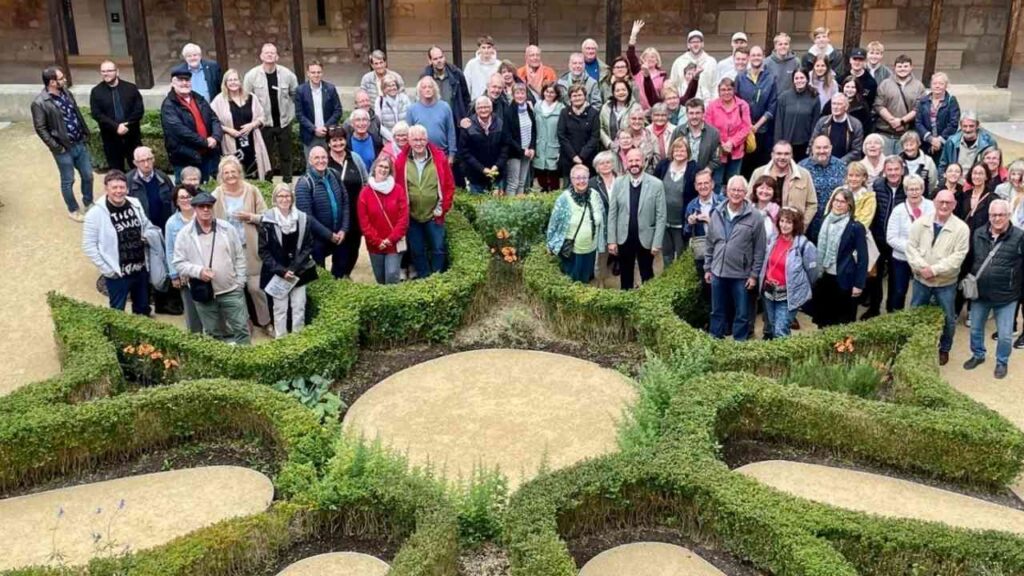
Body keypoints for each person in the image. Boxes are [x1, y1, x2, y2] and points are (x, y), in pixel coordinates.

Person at [173, 192, 250, 345]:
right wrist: (199, 271)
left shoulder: (227, 228)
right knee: (212, 334)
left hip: (231, 290)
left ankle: (245, 363)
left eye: (209, 206)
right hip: (203, 292)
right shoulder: (184, 234)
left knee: (241, 329)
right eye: (201, 206)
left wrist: (240, 282)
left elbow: (240, 257)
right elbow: (178, 263)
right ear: (194, 208)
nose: (206, 210)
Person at [907, 189, 970, 365]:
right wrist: (922, 268)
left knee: (949, 319)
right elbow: (910, 248)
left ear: (954, 205)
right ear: (934, 202)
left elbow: (958, 257)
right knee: (915, 314)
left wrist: (933, 270)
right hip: (921, 281)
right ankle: (914, 346)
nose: (944, 205)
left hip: (946, 284)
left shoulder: (962, 229)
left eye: (948, 203)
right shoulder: (920, 224)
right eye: (941, 202)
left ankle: (944, 348)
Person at [963, 200, 1024, 379]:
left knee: (1005, 336)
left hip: (1007, 296)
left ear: (1008, 215)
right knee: (975, 329)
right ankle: (978, 355)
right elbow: (970, 259)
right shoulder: (978, 233)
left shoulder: (1020, 237)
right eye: (993, 215)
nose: (997, 218)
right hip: (980, 294)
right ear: (989, 216)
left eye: (1001, 215)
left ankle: (1001, 361)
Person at [83, 170, 155, 315]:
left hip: (140, 268)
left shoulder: (134, 203)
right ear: (106, 189)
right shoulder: (95, 214)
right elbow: (88, 245)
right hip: (117, 274)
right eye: (114, 187)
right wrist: (107, 270)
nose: (118, 191)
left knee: (142, 308)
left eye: (122, 187)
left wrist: (147, 236)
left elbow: (146, 225)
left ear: (127, 188)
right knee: (117, 312)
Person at [211, 156, 269, 332]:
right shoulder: (216, 195)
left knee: (255, 288)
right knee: (235, 289)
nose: (230, 176)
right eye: (226, 173)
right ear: (221, 175)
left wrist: (250, 217)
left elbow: (266, 216)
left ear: (239, 172)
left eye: (233, 172)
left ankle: (266, 322)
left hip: (250, 248)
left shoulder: (251, 191)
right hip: (228, 251)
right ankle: (245, 323)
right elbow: (209, 221)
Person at [704, 175, 766, 339]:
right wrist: (708, 268)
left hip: (741, 275)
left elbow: (760, 250)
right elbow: (710, 242)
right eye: (733, 190)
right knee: (717, 311)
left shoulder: (755, 217)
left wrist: (754, 275)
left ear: (746, 193)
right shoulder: (716, 212)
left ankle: (739, 344)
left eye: (740, 190)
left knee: (742, 314)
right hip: (717, 272)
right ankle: (714, 340)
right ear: (726, 191)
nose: (736, 193)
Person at [33, 66, 93, 221]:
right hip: (63, 148)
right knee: (68, 180)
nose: (64, 79)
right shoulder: (40, 103)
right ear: (52, 82)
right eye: (61, 78)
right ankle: (73, 209)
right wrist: (56, 146)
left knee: (88, 175)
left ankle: (88, 202)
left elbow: (76, 114)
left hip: (79, 142)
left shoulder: (67, 93)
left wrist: (85, 132)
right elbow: (41, 128)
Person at [395, 125, 455, 278]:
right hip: (412, 216)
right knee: (417, 250)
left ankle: (436, 277)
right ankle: (424, 278)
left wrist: (443, 207)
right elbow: (397, 188)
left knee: (438, 248)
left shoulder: (439, 158)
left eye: (422, 139)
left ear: (427, 140)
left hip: (434, 214)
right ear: (409, 140)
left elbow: (449, 184)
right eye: (415, 139)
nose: (419, 143)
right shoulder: (401, 161)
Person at [258, 184, 316, 338]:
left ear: (292, 198)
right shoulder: (267, 220)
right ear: (275, 199)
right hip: (278, 273)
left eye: (287, 196)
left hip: (298, 271)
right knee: (280, 309)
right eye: (280, 196)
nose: (284, 199)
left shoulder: (303, 219)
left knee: (298, 307)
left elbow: (308, 246)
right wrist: (282, 271)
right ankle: (281, 339)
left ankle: (298, 339)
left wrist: (295, 267)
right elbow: (263, 251)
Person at [608, 148, 667, 289]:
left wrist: (657, 242)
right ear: (626, 163)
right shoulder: (618, 183)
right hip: (624, 238)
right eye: (631, 161)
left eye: (637, 160)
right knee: (625, 275)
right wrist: (611, 240)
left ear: (644, 162)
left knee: (647, 275)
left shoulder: (656, 184)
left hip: (646, 239)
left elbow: (661, 216)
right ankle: (627, 305)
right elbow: (612, 214)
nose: (634, 164)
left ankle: (648, 306)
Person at [812, 188, 868, 327]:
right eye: (836, 200)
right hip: (825, 277)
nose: (838, 204)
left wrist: (858, 284)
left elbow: (863, 258)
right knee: (824, 319)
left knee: (842, 321)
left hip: (844, 279)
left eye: (843, 202)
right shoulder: (826, 220)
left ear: (849, 205)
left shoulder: (856, 227)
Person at [760, 207, 819, 338]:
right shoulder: (773, 239)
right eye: (782, 221)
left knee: (781, 330)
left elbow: (813, 274)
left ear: (796, 224)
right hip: (769, 292)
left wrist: (800, 288)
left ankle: (784, 357)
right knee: (771, 325)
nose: (784, 225)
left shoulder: (804, 245)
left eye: (789, 222)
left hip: (788, 296)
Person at [243, 43, 298, 183]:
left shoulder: (287, 75)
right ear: (261, 56)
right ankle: (268, 183)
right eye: (266, 52)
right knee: (266, 156)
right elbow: (246, 99)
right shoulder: (252, 76)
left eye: (272, 52)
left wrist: (291, 114)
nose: (269, 55)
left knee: (286, 155)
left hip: (283, 122)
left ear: (277, 56)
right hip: (264, 124)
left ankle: (288, 183)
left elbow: (295, 94)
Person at [294, 146, 350, 279]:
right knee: (320, 275)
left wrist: (344, 229)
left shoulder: (334, 175)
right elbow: (306, 216)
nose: (321, 161)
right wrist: (329, 235)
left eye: (323, 157)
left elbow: (345, 202)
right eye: (317, 158)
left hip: (339, 235)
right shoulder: (304, 184)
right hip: (317, 239)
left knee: (340, 271)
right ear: (310, 161)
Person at [546, 165, 606, 283]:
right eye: (577, 178)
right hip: (572, 250)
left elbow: (602, 217)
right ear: (572, 179)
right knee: (571, 280)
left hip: (591, 248)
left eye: (584, 177)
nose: (581, 181)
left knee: (587, 280)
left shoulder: (595, 195)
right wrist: (550, 243)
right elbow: (554, 223)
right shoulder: (564, 198)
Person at [161, 69, 222, 183]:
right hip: (185, 157)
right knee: (186, 193)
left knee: (206, 190)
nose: (184, 83)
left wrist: (215, 137)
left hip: (207, 155)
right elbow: (180, 131)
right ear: (172, 83)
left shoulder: (199, 98)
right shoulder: (168, 105)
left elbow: (214, 118)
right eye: (180, 80)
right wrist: (205, 142)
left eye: (187, 80)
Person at [324, 127, 369, 278]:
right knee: (340, 249)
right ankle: (337, 276)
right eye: (334, 140)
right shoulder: (325, 161)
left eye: (341, 139)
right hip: (336, 215)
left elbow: (365, 181)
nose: (338, 143)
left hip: (356, 212)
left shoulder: (354, 158)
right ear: (329, 143)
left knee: (354, 246)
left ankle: (347, 275)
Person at [357, 156, 409, 285]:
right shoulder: (365, 193)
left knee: (391, 276)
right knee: (380, 279)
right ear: (374, 168)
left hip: (394, 243)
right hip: (375, 245)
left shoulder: (398, 190)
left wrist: (390, 239)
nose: (383, 169)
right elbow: (364, 222)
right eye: (381, 166)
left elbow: (403, 218)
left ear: (390, 171)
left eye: (387, 167)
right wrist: (377, 241)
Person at [210, 68, 271, 180]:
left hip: (252, 141)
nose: (233, 82)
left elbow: (262, 117)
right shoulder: (219, 100)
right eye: (230, 80)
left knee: (254, 173)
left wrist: (252, 125)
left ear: (240, 81)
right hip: (231, 142)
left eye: (235, 79)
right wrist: (228, 130)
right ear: (225, 83)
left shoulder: (251, 97)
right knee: (234, 172)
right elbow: (212, 121)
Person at [886, 174, 934, 311]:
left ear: (922, 189)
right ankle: (895, 320)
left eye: (917, 189)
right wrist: (911, 248)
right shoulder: (899, 210)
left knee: (923, 293)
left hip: (925, 258)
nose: (914, 192)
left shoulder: (931, 207)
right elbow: (891, 238)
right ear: (906, 191)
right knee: (899, 292)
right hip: (902, 258)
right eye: (910, 189)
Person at [867, 156, 907, 315]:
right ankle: (874, 308)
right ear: (884, 171)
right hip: (878, 238)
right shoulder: (877, 185)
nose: (893, 173)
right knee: (875, 277)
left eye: (896, 169)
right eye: (889, 169)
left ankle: (893, 310)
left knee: (896, 278)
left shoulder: (907, 186)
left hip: (898, 241)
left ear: (902, 170)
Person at [89, 61, 144, 173]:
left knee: (138, 170)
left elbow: (139, 110)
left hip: (132, 136)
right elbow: (97, 114)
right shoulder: (96, 92)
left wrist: (126, 124)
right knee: (116, 173)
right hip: (111, 140)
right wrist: (116, 127)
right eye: (103, 71)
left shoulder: (131, 88)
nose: (106, 74)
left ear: (117, 72)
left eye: (109, 71)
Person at [653, 138, 697, 266]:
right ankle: (667, 278)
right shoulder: (663, 165)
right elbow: (654, 186)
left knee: (681, 254)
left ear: (687, 152)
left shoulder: (693, 168)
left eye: (682, 149)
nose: (679, 152)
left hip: (681, 222)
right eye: (676, 149)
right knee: (666, 254)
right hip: (664, 220)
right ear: (672, 151)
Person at [165, 185, 203, 332]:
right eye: (182, 197)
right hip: (184, 274)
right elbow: (169, 250)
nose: (186, 200)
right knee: (191, 308)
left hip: (205, 268)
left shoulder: (203, 216)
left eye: (189, 196)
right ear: (176, 201)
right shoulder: (172, 223)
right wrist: (174, 274)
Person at [750, 140, 818, 222]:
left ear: (791, 155)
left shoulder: (804, 175)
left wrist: (801, 226)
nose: (782, 157)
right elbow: (749, 200)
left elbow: (812, 204)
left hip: (793, 230)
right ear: (772, 155)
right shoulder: (759, 173)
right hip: (763, 229)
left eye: (786, 154)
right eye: (779, 153)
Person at [874, 55, 928, 155]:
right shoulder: (885, 84)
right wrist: (892, 121)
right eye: (899, 66)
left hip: (907, 133)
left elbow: (919, 107)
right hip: (885, 132)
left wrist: (902, 121)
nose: (902, 69)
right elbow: (878, 105)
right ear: (894, 68)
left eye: (905, 66)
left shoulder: (919, 86)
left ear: (911, 67)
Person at [737, 45, 778, 174]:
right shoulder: (740, 78)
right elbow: (736, 103)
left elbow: (772, 105)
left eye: (759, 55)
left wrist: (757, 126)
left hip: (763, 130)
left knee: (761, 167)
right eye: (753, 55)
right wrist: (747, 125)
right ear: (749, 58)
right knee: (745, 167)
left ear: (764, 57)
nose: (756, 58)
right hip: (743, 130)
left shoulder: (770, 78)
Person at [705, 78, 752, 192]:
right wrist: (722, 143)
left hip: (737, 151)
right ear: (719, 91)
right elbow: (708, 126)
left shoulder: (742, 105)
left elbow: (746, 127)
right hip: (717, 151)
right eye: (723, 90)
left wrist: (732, 142)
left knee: (734, 182)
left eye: (729, 89)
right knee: (716, 182)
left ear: (734, 90)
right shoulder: (712, 106)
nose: (726, 92)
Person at [801, 136, 848, 241]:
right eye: (818, 148)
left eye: (825, 148)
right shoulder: (802, 167)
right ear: (812, 148)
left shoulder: (841, 166)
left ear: (831, 148)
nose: (822, 151)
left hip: (835, 222)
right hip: (810, 223)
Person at [459, 96, 509, 194]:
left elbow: (505, 148)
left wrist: (497, 166)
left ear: (491, 108)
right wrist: (482, 169)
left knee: (497, 207)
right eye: (480, 108)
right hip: (475, 176)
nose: (483, 110)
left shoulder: (500, 123)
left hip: (496, 175)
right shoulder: (468, 126)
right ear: (476, 110)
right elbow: (465, 152)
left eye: (486, 107)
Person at [295, 59, 343, 158]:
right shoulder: (301, 90)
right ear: (308, 73)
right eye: (313, 72)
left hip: (328, 134)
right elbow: (299, 114)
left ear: (322, 73)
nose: (316, 75)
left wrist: (326, 127)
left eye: (318, 72)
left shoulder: (330, 89)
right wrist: (314, 129)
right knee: (312, 165)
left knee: (330, 164)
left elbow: (338, 110)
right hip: (310, 136)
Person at [773, 69, 820, 164]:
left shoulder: (814, 97)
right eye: (796, 78)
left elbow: (815, 123)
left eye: (802, 77)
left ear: (807, 79)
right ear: (793, 80)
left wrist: (812, 145)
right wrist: (778, 144)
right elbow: (778, 123)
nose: (799, 80)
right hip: (786, 144)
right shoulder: (784, 97)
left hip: (804, 144)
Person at [406, 76, 458, 160]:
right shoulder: (412, 109)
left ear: (435, 89)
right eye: (424, 87)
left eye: (430, 87)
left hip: (442, 154)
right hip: (420, 155)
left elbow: (451, 132)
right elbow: (408, 135)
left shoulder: (445, 107)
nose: (427, 89)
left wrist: (451, 155)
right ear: (419, 91)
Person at [424, 46, 472, 131]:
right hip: (434, 121)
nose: (439, 61)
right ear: (430, 61)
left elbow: (466, 98)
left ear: (444, 57)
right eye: (435, 59)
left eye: (441, 57)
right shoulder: (425, 78)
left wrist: (464, 117)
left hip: (455, 121)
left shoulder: (457, 74)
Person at [557, 84, 601, 179]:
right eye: (574, 96)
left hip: (588, 159)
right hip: (568, 159)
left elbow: (595, 137)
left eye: (580, 95)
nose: (577, 98)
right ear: (570, 98)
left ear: (585, 96)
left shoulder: (593, 113)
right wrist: (573, 156)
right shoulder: (564, 113)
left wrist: (581, 156)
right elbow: (561, 135)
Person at [915, 72, 960, 162]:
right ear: (931, 85)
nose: (937, 86)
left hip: (944, 143)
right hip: (925, 143)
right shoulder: (923, 101)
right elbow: (918, 122)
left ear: (946, 85)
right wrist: (931, 139)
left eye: (941, 84)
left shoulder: (951, 101)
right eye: (935, 83)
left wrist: (939, 140)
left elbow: (953, 123)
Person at [126, 146, 174, 232]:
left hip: (164, 227)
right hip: (142, 229)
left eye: (149, 159)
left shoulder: (163, 177)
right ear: (135, 163)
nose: (146, 164)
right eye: (142, 161)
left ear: (153, 159)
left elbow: (173, 200)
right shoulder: (128, 181)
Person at [671, 98, 722, 173]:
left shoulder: (714, 133)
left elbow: (717, 158)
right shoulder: (678, 131)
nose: (694, 116)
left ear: (703, 113)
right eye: (691, 113)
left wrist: (706, 171)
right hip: (681, 174)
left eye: (697, 113)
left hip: (703, 176)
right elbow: (671, 154)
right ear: (687, 114)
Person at [938, 112, 997, 176]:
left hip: (978, 181)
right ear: (961, 126)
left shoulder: (989, 143)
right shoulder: (951, 142)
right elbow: (943, 165)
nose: (968, 129)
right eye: (965, 126)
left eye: (971, 126)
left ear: (977, 126)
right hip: (956, 181)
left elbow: (995, 166)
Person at [626, 20, 668, 110]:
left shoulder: (663, 76)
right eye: (647, 57)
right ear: (643, 59)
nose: (650, 59)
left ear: (657, 60)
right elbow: (630, 55)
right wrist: (633, 35)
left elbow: (664, 96)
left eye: (653, 57)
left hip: (655, 111)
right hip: (638, 112)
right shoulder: (637, 71)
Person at [811, 93, 864, 163]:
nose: (835, 107)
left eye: (839, 104)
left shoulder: (856, 125)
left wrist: (838, 163)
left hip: (845, 164)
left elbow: (856, 151)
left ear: (846, 107)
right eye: (834, 104)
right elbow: (812, 143)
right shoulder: (822, 122)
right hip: (823, 162)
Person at [504, 83, 537, 196]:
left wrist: (532, 148)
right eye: (517, 93)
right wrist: (522, 150)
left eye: (522, 93)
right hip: (515, 153)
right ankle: (510, 208)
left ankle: (519, 208)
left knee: (522, 183)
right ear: (513, 95)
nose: (520, 96)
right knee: (513, 183)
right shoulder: (509, 112)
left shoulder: (529, 109)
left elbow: (534, 130)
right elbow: (508, 137)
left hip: (527, 151)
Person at [532, 83, 565, 192]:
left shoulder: (561, 108)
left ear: (556, 94)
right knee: (540, 174)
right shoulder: (537, 106)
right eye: (547, 91)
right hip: (539, 146)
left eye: (552, 92)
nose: (549, 94)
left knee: (553, 175)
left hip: (554, 146)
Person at [670, 30, 718, 103]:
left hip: (706, 104)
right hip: (684, 104)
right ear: (688, 45)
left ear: (702, 44)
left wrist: (713, 104)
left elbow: (715, 85)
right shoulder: (679, 62)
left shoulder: (711, 62)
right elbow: (673, 84)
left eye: (698, 42)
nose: (695, 44)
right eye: (692, 42)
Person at [600, 79, 640, 149]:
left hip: (631, 148)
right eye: (617, 90)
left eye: (624, 90)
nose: (621, 92)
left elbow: (640, 129)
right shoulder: (606, 107)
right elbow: (600, 128)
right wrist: (609, 143)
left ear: (628, 91)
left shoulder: (636, 107)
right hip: (610, 149)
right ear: (613, 93)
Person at [376, 73, 412, 143]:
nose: (392, 88)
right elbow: (379, 124)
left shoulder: (405, 98)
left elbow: (410, 118)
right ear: (384, 88)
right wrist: (392, 138)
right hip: (389, 140)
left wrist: (404, 136)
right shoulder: (380, 101)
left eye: (393, 85)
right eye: (388, 86)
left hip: (406, 139)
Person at [845, 47, 879, 114]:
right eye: (855, 59)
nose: (857, 62)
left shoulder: (871, 83)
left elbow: (871, 104)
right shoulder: (841, 79)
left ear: (865, 61)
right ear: (850, 60)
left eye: (860, 60)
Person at [750, 174, 781, 240]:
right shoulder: (749, 208)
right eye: (762, 188)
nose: (764, 191)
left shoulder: (777, 211)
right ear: (755, 189)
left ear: (774, 192)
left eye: (769, 189)